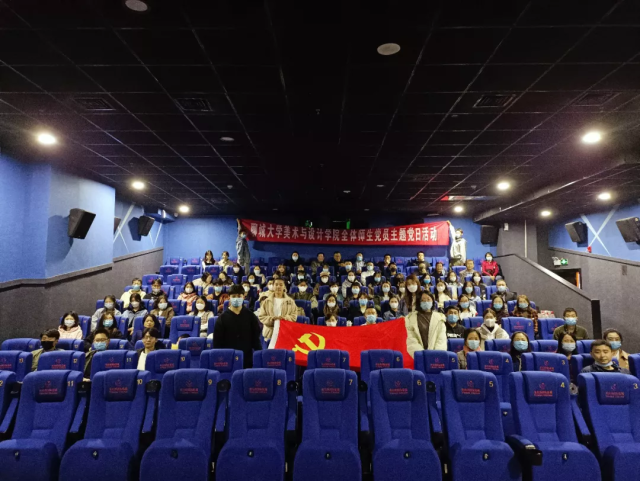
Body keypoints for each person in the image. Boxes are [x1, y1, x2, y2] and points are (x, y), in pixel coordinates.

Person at [214, 284, 263, 367]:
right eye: (233, 296)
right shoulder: (222, 318)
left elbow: (256, 339)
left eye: (239, 296)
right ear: (229, 297)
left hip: (247, 359)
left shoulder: (251, 316)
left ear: (243, 297)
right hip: (228, 359)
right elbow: (217, 343)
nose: (236, 299)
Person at [404, 291, 447, 357]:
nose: (426, 302)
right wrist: (423, 356)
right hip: (418, 356)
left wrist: (434, 356)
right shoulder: (410, 318)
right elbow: (411, 339)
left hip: (436, 358)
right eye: (423, 300)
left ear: (432, 301)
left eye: (428, 299)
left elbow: (441, 340)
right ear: (419, 302)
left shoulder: (440, 318)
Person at [257, 278, 298, 344]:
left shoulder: (290, 302)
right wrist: (272, 319)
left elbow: (294, 317)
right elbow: (261, 317)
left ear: (284, 287)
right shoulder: (266, 301)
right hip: (269, 335)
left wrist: (284, 319)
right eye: (276, 284)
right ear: (273, 286)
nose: (278, 286)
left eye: (281, 285)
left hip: (285, 334)